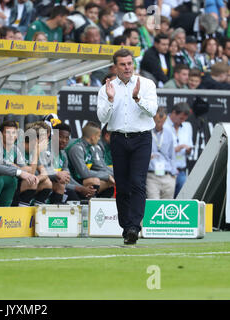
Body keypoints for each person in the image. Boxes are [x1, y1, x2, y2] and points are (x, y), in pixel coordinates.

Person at [97, 48, 158, 245]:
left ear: (134, 64)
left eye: (129, 63)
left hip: (142, 138)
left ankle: (134, 226)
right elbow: (102, 118)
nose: (127, 68)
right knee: (121, 185)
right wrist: (111, 99)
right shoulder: (107, 88)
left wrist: (137, 98)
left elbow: (152, 112)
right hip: (118, 138)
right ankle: (126, 228)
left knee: (137, 182)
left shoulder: (147, 84)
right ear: (115, 66)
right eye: (122, 64)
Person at [65, 121, 115, 197]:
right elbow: (84, 173)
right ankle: (88, 200)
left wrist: (116, 175)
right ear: (92, 136)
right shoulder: (77, 148)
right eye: (98, 136)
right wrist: (107, 176)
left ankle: (100, 204)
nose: (99, 139)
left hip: (82, 180)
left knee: (110, 182)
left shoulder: (91, 148)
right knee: (95, 181)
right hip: (73, 181)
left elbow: (100, 167)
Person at [163, 102, 194, 197]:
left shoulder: (187, 126)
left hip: (181, 171)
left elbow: (190, 148)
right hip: (165, 172)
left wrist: (188, 150)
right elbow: (159, 150)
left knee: (182, 201)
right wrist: (178, 148)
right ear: (173, 113)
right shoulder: (162, 124)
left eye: (185, 119)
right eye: (181, 118)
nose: (182, 121)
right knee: (166, 203)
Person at [146, 107, 177, 199]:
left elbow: (172, 155)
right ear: (153, 119)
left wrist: (173, 174)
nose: (159, 124)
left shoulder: (168, 133)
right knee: (154, 205)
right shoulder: (146, 133)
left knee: (167, 207)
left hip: (167, 176)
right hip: (151, 176)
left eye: (162, 122)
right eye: (157, 121)